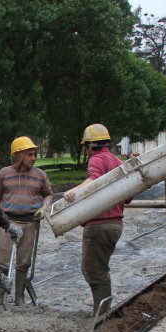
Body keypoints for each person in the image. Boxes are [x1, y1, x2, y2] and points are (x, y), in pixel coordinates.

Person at [65, 123, 129, 315]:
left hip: (99, 225)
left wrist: (74, 191)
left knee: (93, 270)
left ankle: (102, 314)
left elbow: (93, 179)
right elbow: (128, 194)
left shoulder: (96, 159)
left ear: (89, 146)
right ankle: (104, 308)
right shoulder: (117, 161)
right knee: (99, 268)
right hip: (115, 224)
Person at [0, 136, 53, 305]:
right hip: (7, 222)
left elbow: (48, 194)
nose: (33, 158)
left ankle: (19, 297)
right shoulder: (4, 174)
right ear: (18, 155)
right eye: (29, 154)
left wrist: (44, 207)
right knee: (2, 262)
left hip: (29, 222)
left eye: (34, 154)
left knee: (23, 262)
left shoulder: (40, 175)